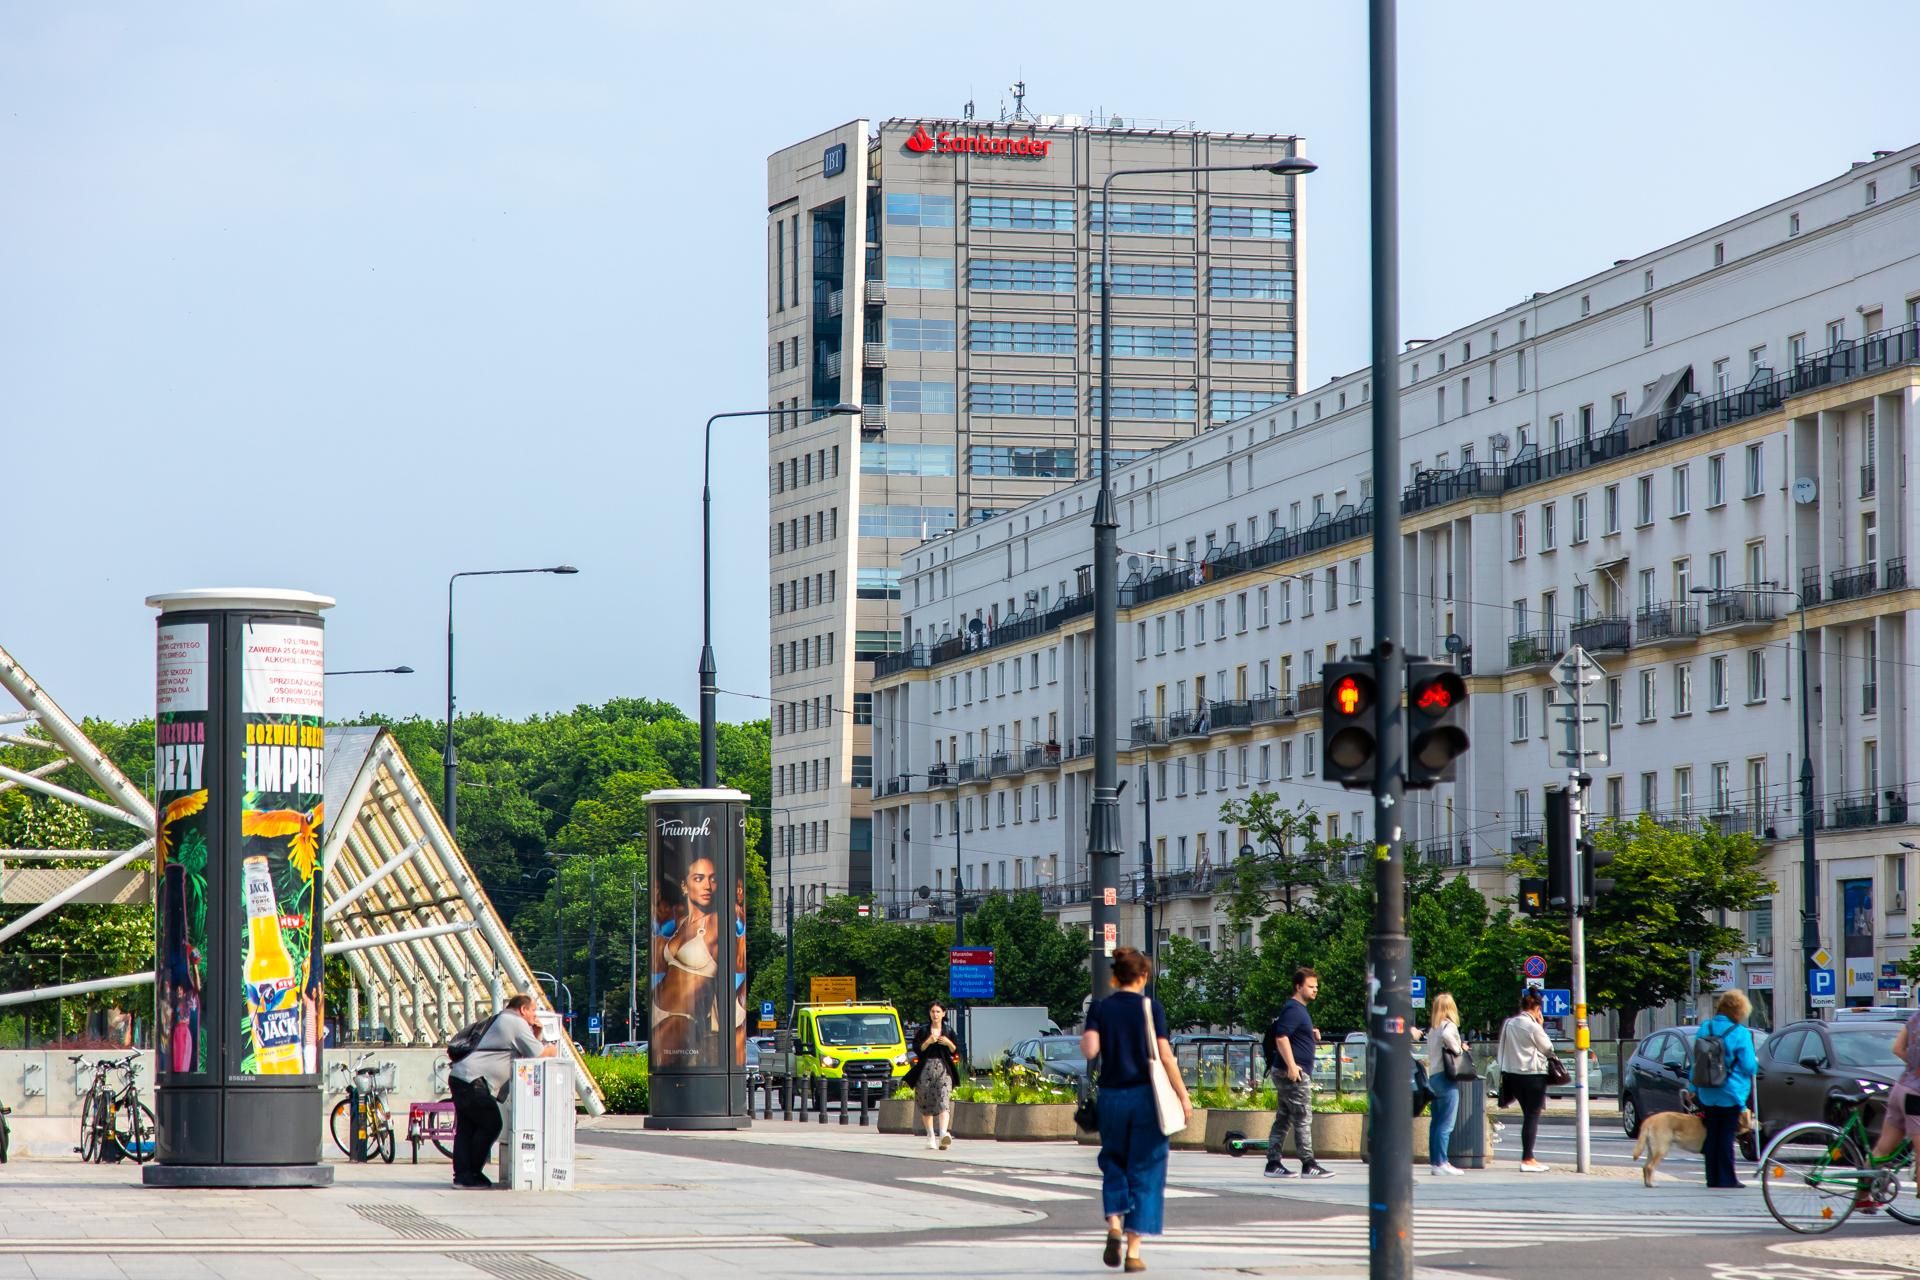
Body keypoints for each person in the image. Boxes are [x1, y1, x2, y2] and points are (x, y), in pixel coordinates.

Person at [1082, 947, 1191, 1273]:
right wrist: (1183, 1096)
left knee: (1113, 1160)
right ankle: (1132, 1251)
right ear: (1143, 976)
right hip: (1146, 1098)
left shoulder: (1100, 1008)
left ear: (1115, 976)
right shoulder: (1150, 1007)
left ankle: (1113, 1223)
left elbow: (1090, 1049)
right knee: (1146, 1170)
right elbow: (1165, 1055)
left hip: (1112, 1097)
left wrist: (1097, 1029)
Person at [448, 994, 558, 1188]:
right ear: (523, 1009)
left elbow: (526, 1053)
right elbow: (539, 1054)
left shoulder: (503, 1019)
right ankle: (471, 1172)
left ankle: (463, 1176)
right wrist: (552, 1048)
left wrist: (536, 1034)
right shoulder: (515, 1022)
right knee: (491, 1124)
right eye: (533, 1010)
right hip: (474, 1081)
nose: (534, 1015)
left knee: (467, 1128)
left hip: (462, 1076)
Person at [654, 853, 725, 1065]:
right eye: (699, 878)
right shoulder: (682, 923)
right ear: (685, 886)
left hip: (682, 1020)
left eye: (712, 879)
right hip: (658, 1009)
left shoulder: (715, 923)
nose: (708, 886)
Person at [1261, 966, 1331, 1180]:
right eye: (1310, 986)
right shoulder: (1294, 1009)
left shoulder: (1296, 1010)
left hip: (1286, 1070)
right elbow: (1281, 1037)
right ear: (1298, 986)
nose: (1315, 990)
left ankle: (1273, 1163)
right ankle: (1308, 1163)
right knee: (1302, 1116)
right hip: (1293, 1072)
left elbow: (1289, 1032)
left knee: (1284, 1118)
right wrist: (1292, 1065)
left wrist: (1309, 1033)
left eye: (1316, 987)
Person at [1690, 988, 1759, 1189]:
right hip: (1731, 1092)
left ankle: (1712, 1178)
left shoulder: (1706, 1028)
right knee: (1727, 1136)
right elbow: (1748, 1065)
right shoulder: (1740, 1033)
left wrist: (1692, 1086)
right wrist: (1755, 1064)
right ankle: (1728, 1179)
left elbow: (1697, 1060)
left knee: (1712, 1134)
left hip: (1707, 1091)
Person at [1496, 989, 1554, 1172]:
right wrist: (1541, 1026)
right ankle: (1528, 1158)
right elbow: (1548, 1048)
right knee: (1532, 1116)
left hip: (1512, 1075)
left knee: (1527, 1114)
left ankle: (1528, 1156)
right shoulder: (1533, 1026)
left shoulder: (1509, 1024)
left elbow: (1502, 1048)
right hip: (1532, 1075)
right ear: (1537, 1008)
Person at [1870, 1006, 1920, 1166]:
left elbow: (1897, 1049)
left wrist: (1913, 1066)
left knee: (1882, 1149)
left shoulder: (1915, 1018)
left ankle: (1862, 1191)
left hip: (1901, 1087)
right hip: (1916, 1094)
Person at [1425, 992, 1466, 1176]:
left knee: (1436, 1122)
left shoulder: (1433, 1029)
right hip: (1446, 1077)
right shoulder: (1448, 1026)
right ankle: (1442, 1162)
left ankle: (1435, 1162)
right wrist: (1459, 1049)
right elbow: (1449, 1038)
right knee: (1446, 1124)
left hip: (1433, 1077)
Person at [910, 1002, 960, 1150]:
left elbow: (955, 1051)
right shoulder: (923, 1031)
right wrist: (928, 1042)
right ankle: (931, 1136)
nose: (935, 1014)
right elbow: (917, 1049)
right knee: (926, 1103)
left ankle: (944, 1134)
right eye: (933, 1011)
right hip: (925, 1069)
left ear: (943, 1014)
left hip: (944, 1069)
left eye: (938, 1011)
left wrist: (948, 1042)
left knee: (944, 1100)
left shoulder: (949, 1031)